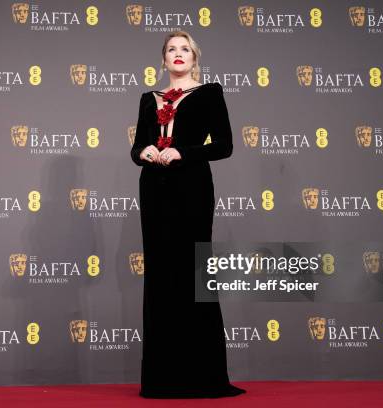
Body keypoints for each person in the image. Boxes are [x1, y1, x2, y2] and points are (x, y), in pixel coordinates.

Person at [130, 30, 246, 399]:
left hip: (192, 188)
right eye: (170, 50)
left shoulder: (210, 93)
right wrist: (145, 153)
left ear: (195, 58)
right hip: (154, 190)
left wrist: (183, 153)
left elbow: (224, 145)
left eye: (185, 49)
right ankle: (162, 379)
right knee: (162, 275)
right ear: (162, 60)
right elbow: (136, 148)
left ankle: (204, 376)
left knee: (194, 274)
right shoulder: (149, 99)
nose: (177, 54)